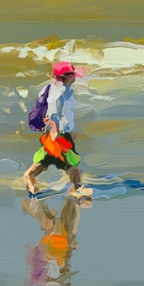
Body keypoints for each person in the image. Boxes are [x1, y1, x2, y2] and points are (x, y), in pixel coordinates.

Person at [23, 61, 89, 198]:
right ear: (70, 77)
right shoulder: (61, 92)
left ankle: (30, 180)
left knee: (48, 161)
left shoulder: (53, 88)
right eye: (73, 76)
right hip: (58, 133)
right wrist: (55, 129)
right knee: (69, 162)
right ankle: (76, 188)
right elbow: (53, 112)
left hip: (59, 132)